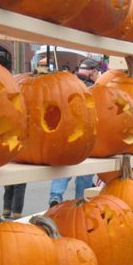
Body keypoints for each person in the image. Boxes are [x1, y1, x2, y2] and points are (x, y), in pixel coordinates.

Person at [48, 58, 100, 206]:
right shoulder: (92, 87)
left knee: (64, 167)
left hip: (67, 133)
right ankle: (79, 201)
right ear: (93, 71)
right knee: (85, 172)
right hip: (86, 135)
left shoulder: (69, 83)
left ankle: (56, 196)